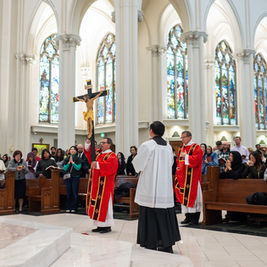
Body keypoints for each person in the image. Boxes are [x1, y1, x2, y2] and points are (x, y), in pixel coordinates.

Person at [132, 121, 180, 253]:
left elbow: (138, 165)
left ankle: (151, 242)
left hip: (151, 187)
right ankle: (166, 244)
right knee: (164, 213)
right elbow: (171, 164)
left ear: (151, 131)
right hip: (164, 187)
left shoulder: (147, 145)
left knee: (150, 212)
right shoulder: (168, 147)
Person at [84, 137, 118, 233]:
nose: (101, 144)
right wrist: (88, 142)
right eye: (101, 142)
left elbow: (111, 167)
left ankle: (107, 226)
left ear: (109, 144)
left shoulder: (112, 156)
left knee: (105, 205)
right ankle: (99, 225)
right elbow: (89, 152)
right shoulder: (99, 153)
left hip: (105, 185)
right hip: (97, 184)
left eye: (103, 143)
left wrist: (97, 164)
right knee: (96, 205)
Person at [174, 131, 203, 225]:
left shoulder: (196, 147)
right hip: (183, 178)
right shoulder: (181, 148)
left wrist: (186, 156)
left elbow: (197, 160)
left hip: (192, 178)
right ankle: (187, 217)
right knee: (184, 198)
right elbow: (178, 161)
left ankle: (195, 219)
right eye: (181, 138)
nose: (182, 139)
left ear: (189, 137)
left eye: (184, 137)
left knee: (194, 198)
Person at [63, 146, 82, 213]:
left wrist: (73, 162)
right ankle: (68, 207)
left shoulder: (78, 159)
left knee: (74, 192)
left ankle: (74, 207)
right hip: (68, 177)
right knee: (68, 192)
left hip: (75, 177)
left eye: (73, 149)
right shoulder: (66, 158)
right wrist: (69, 162)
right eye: (71, 149)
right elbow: (64, 168)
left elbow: (78, 168)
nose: (72, 150)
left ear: (76, 151)